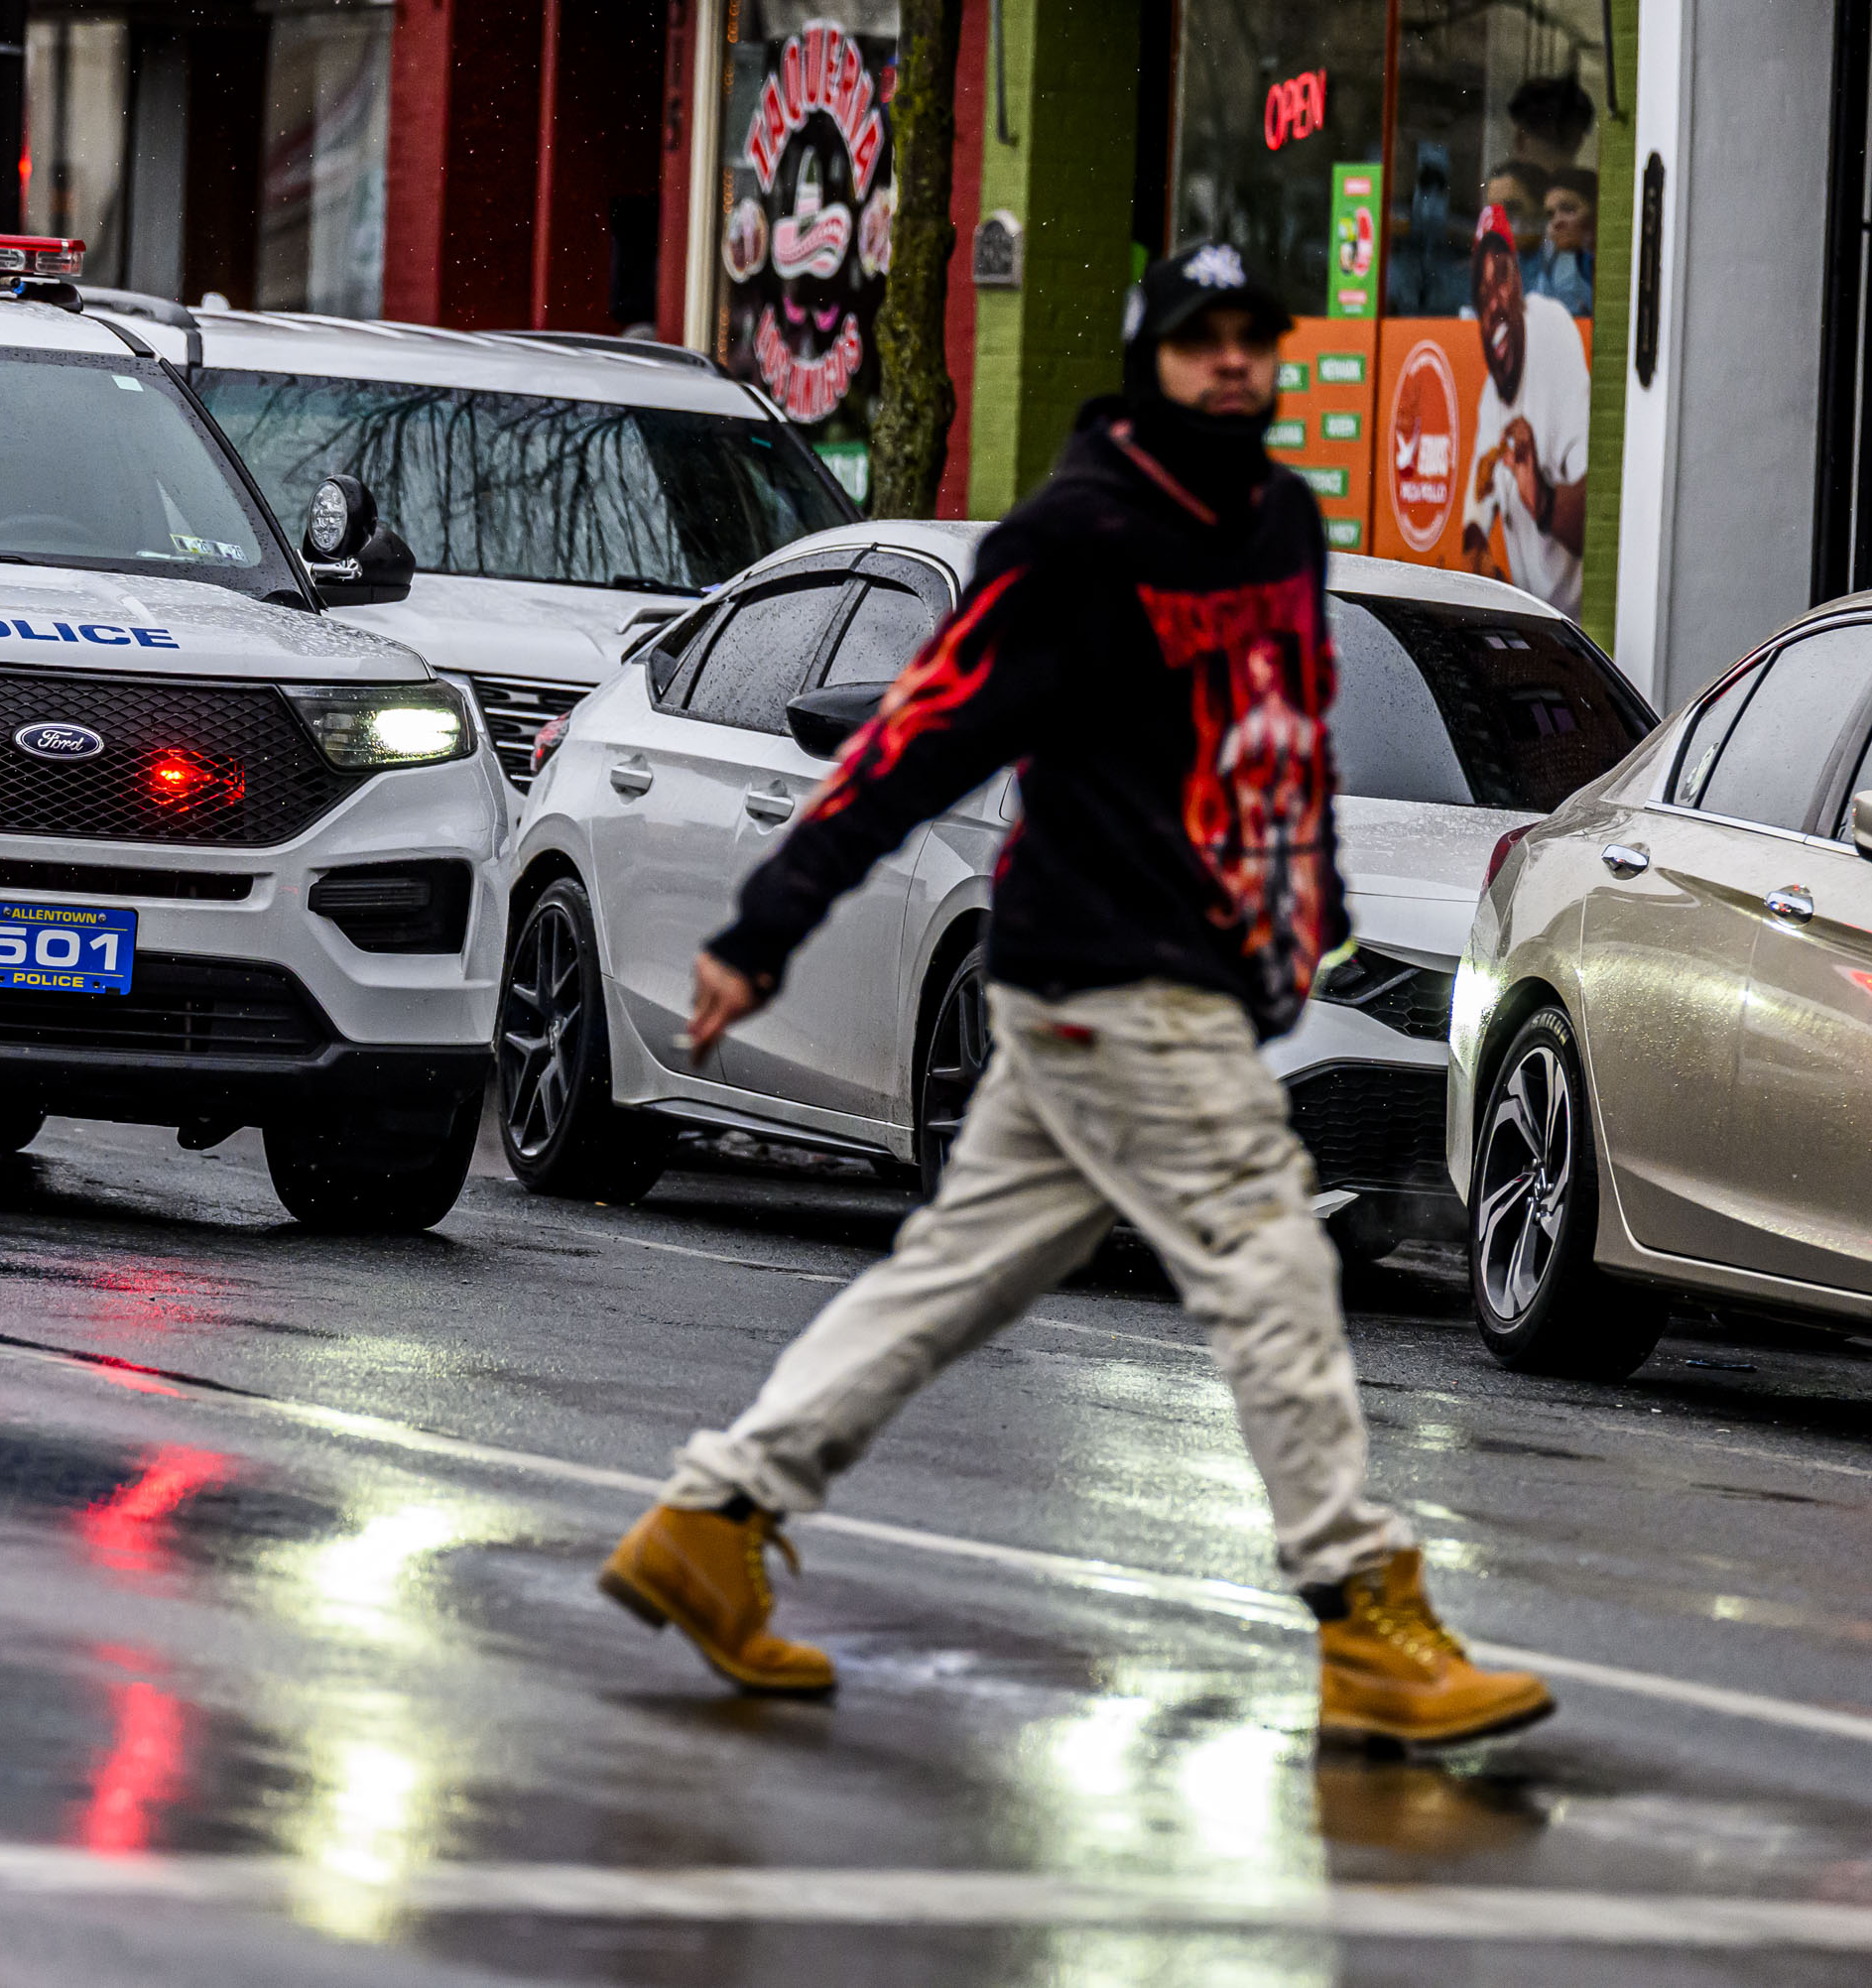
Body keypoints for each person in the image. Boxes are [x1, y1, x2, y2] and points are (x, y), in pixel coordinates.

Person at [596, 244, 1557, 1752]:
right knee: (1273, 1272)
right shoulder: (1073, 541)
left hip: (1180, 982)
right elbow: (920, 739)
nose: (1230, 364)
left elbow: (1284, 744)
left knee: (955, 1272)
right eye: (1198, 343)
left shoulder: (1279, 529)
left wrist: (1297, 918)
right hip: (1108, 973)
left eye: (1251, 339)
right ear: (1147, 362)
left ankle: (715, 1521)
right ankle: (1362, 1607)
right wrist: (765, 927)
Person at [1461, 205, 1590, 616]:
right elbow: (1476, 507)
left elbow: (1598, 518)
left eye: (1501, 278)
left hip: (1586, 627)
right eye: (1482, 297)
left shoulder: (1551, 330)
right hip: (1538, 627)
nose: (1494, 303)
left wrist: (1541, 499)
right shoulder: (1491, 396)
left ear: (1518, 280)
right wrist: (1477, 551)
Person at [1536, 168, 1598, 317]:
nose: (1556, 222)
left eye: (1568, 209)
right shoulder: (1555, 262)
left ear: (1596, 211)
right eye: (1550, 215)